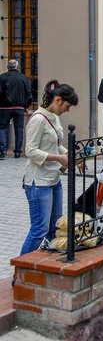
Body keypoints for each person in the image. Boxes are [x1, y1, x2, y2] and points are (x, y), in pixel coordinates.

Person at [20, 80, 78, 256]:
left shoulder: (55, 118)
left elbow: (56, 145)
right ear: (58, 100)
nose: (67, 110)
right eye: (67, 106)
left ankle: (47, 268)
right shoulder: (37, 119)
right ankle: (21, 269)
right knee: (39, 229)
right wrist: (59, 158)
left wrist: (71, 157)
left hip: (53, 180)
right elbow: (30, 151)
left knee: (55, 228)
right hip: (38, 182)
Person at [0, 59, 32, 159]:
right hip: (19, 108)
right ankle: (18, 152)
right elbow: (29, 94)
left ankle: (3, 150)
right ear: (17, 67)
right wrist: (26, 106)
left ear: (8, 67)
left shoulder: (2, 77)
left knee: (2, 128)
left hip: (4, 107)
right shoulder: (24, 78)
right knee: (19, 130)